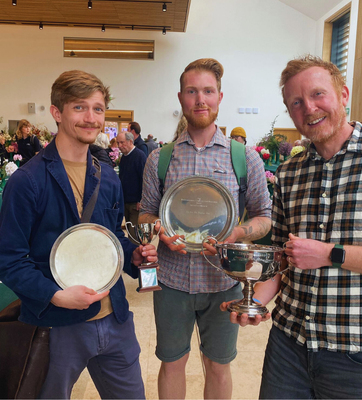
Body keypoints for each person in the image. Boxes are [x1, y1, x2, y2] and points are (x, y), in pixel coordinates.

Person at [223, 55, 362, 399]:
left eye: (318, 95)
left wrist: (331, 254)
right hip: (289, 345)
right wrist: (255, 302)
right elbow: (284, 258)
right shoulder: (290, 172)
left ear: (343, 94)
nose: (309, 108)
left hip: (361, 353)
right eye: (297, 103)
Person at [0, 70, 158, 399]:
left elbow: (112, 240)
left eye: (98, 109)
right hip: (56, 325)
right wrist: (56, 295)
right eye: (80, 108)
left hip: (114, 318)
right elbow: (9, 259)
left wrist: (136, 257)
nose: (91, 118)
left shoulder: (108, 178)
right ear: (57, 112)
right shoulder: (27, 181)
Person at [139, 58, 272, 399]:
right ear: (181, 97)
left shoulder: (244, 158)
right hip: (171, 280)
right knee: (172, 362)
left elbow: (264, 217)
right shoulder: (160, 158)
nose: (201, 99)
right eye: (192, 91)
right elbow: (146, 215)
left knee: (218, 364)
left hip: (224, 282)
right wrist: (159, 229)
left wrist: (237, 234)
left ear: (220, 97)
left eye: (208, 91)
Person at [117, 131, 147, 238]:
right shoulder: (124, 157)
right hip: (125, 200)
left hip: (136, 203)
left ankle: (135, 253)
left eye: (122, 143)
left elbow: (144, 179)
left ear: (130, 141)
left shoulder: (139, 156)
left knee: (134, 233)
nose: (119, 146)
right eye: (118, 143)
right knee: (129, 229)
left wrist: (141, 200)